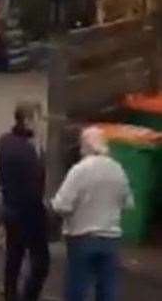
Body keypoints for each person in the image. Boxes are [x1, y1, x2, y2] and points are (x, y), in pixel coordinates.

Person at [51, 126, 134, 301]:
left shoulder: (80, 170)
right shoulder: (118, 169)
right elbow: (128, 204)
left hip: (82, 237)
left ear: (84, 146)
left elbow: (61, 205)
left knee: (77, 289)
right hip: (111, 239)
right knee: (108, 290)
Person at [0, 101, 50, 301]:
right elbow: (36, 186)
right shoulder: (28, 150)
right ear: (27, 121)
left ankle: (9, 295)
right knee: (41, 263)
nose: (41, 123)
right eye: (38, 118)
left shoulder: (4, 141)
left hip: (10, 209)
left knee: (14, 258)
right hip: (30, 214)